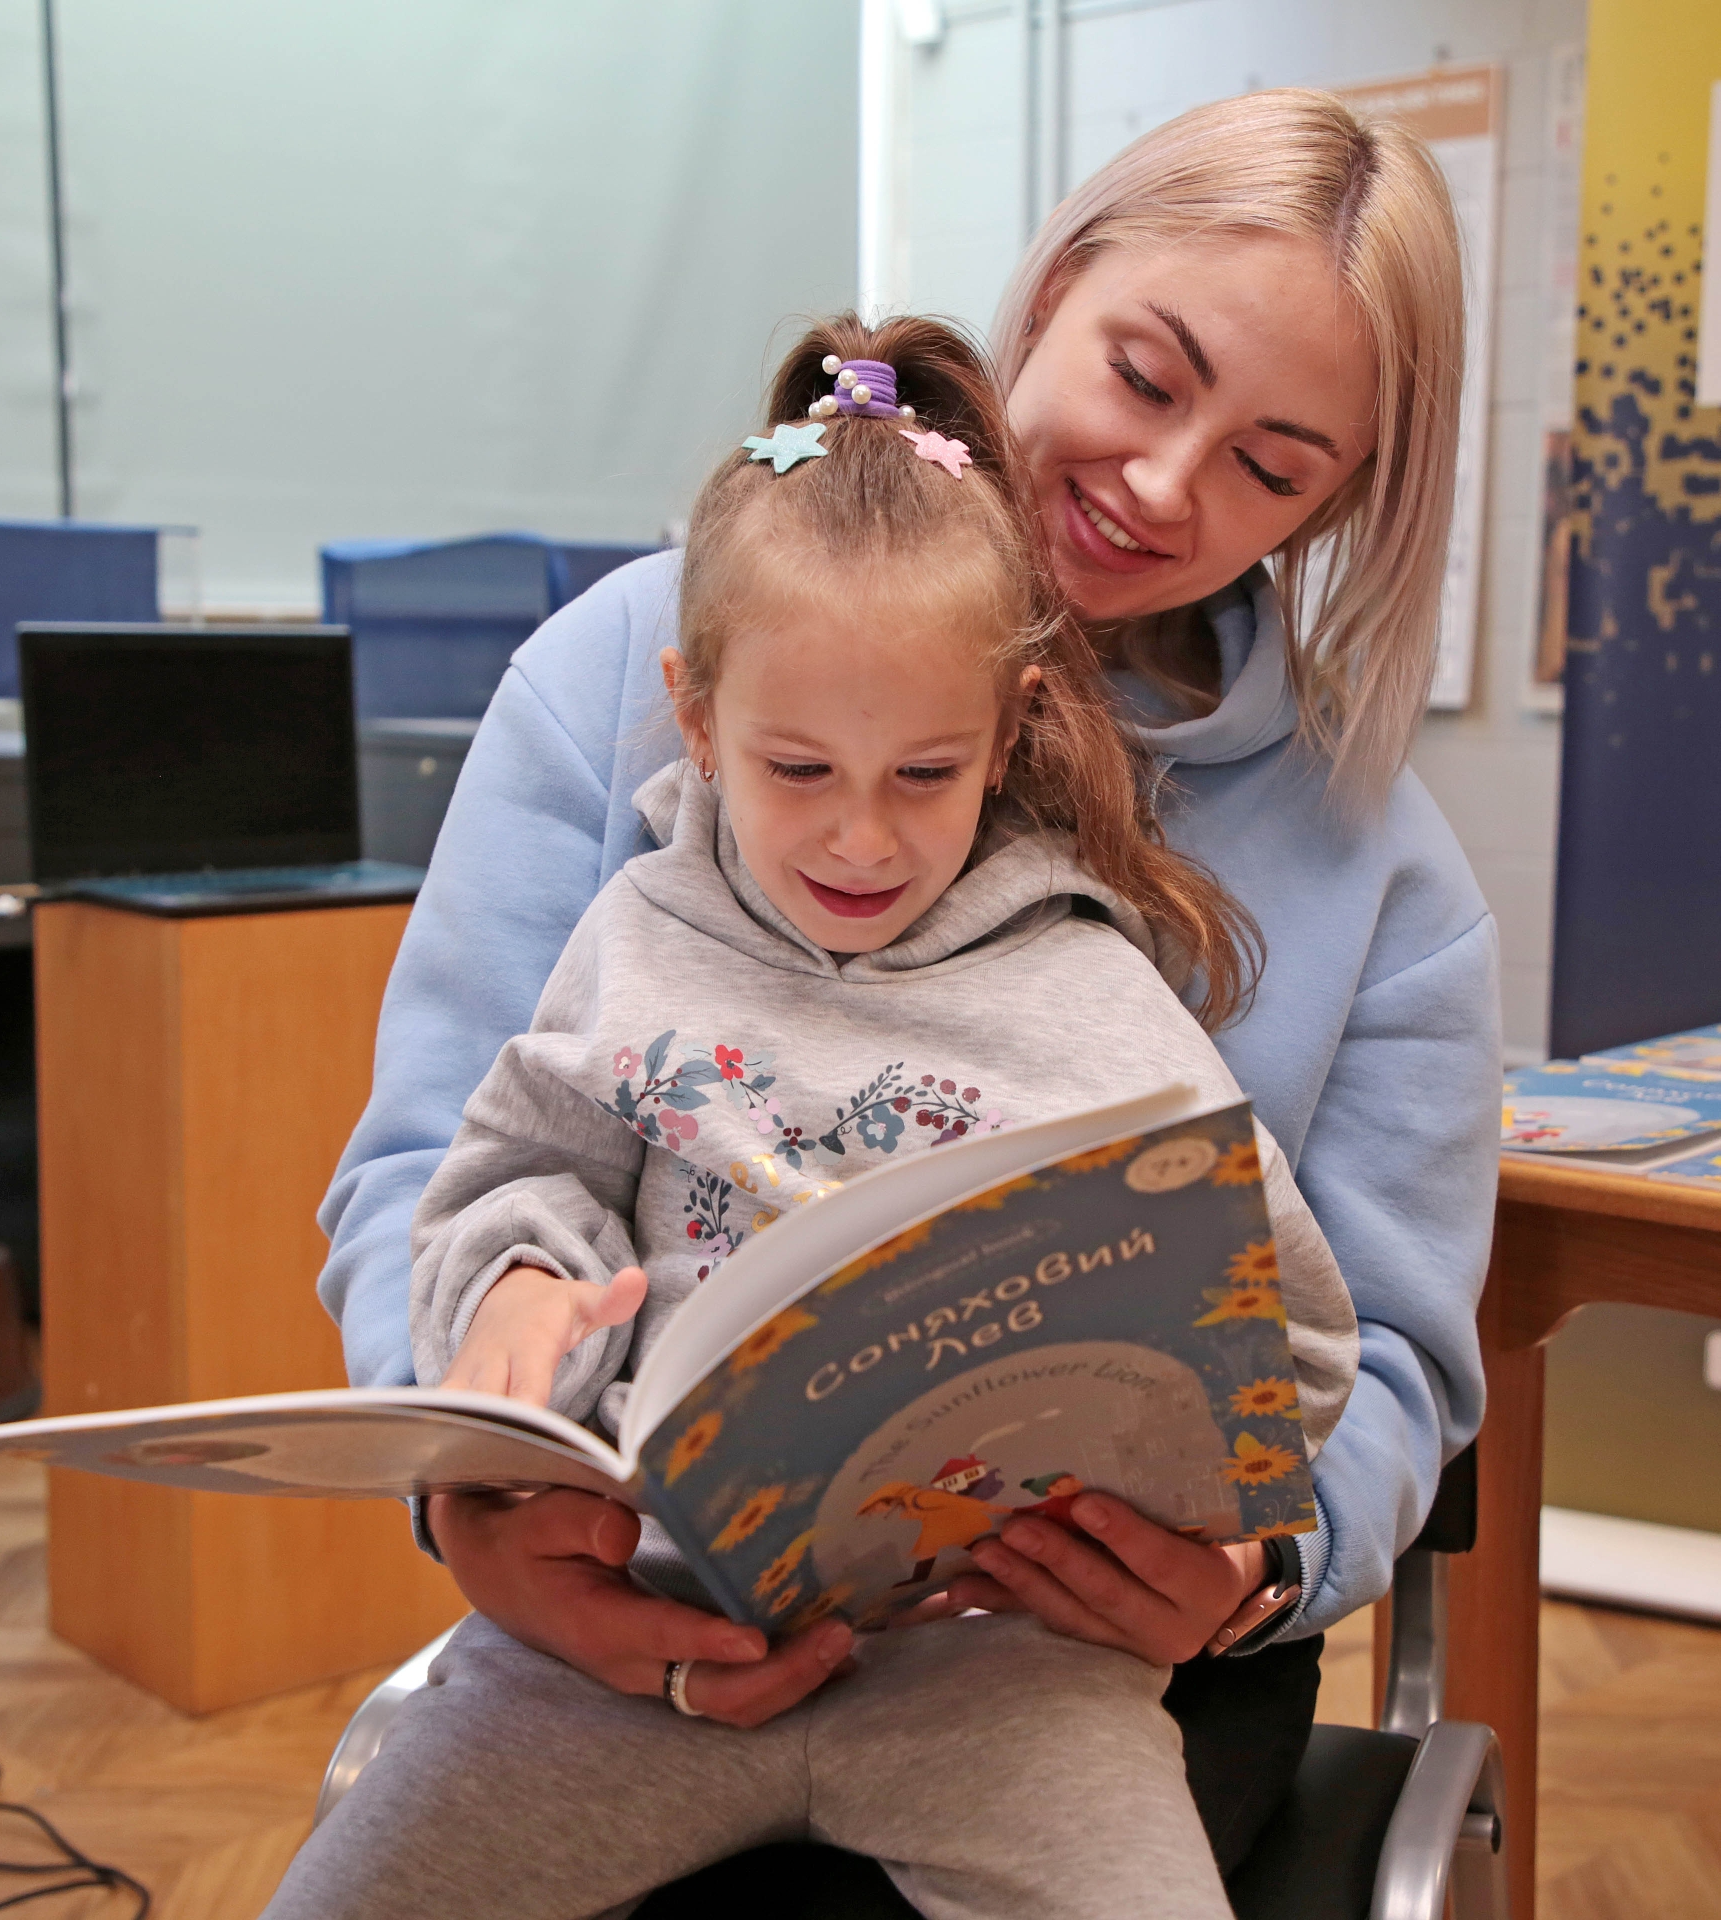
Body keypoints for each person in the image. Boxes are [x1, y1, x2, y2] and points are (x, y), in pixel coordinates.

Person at [309, 86, 1498, 1890]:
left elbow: (1379, 1349)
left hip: (1095, 1662)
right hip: (640, 1597)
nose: (1165, 485)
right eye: (1147, 377)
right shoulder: (623, 666)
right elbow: (443, 1162)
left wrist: (1259, 1563)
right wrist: (478, 1471)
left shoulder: (1380, 870)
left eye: (1273, 467)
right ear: (1057, 288)